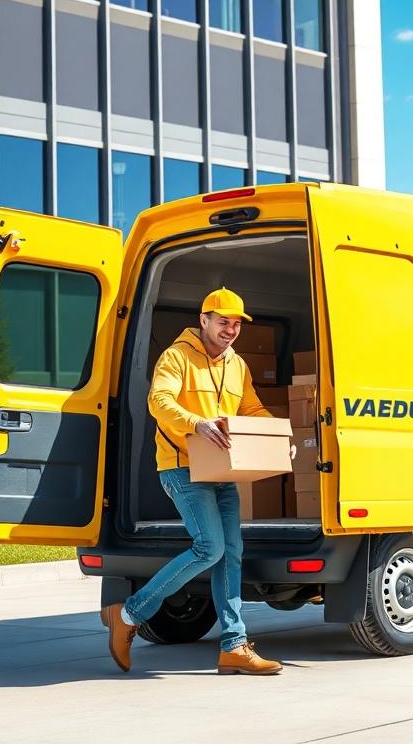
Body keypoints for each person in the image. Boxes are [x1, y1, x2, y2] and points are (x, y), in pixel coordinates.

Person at [101, 287, 283, 675]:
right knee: (210, 548)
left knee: (230, 554)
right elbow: (159, 401)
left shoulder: (238, 366)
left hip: (223, 470)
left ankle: (234, 645)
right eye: (223, 322)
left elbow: (251, 408)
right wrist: (196, 424)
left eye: (236, 324)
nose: (230, 330)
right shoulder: (177, 356)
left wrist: (277, 438)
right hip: (181, 467)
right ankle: (130, 613)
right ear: (204, 320)